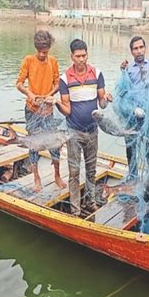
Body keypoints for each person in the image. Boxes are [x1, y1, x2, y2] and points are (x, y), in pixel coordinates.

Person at [55, 39, 113, 216]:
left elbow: (101, 104)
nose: (81, 59)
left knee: (91, 169)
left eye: (84, 55)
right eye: (77, 56)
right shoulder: (65, 79)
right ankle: (75, 209)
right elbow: (67, 111)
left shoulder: (97, 73)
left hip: (92, 131)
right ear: (71, 57)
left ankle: (91, 201)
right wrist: (57, 103)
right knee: (74, 172)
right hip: (74, 132)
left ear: (87, 54)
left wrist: (106, 99)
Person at [16, 30, 66, 192]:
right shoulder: (28, 61)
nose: (42, 55)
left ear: (49, 49)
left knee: (54, 143)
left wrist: (48, 96)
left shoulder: (53, 61)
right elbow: (19, 83)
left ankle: (57, 175)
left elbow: (58, 83)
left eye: (45, 52)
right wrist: (30, 95)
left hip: (48, 110)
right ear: (35, 48)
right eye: (39, 52)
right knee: (34, 143)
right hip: (32, 110)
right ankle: (36, 178)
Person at [119, 36, 149, 180]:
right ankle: (133, 177)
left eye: (141, 47)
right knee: (131, 148)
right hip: (132, 115)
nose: (139, 51)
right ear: (131, 52)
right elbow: (122, 93)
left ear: (145, 48)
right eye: (135, 49)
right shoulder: (127, 69)